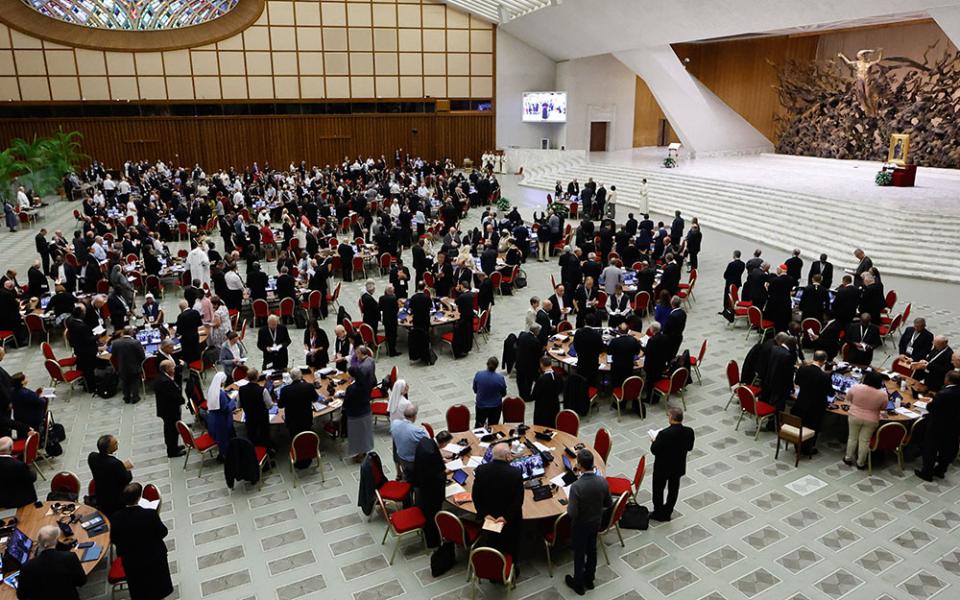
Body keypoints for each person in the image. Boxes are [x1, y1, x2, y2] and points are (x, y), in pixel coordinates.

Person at [109, 483, 174, 600]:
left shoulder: (116, 518)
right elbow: (163, 532)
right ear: (139, 497)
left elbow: (114, 539)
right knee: (157, 588)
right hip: (154, 558)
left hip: (132, 562)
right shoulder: (150, 514)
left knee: (140, 590)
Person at [565, 449, 611, 596]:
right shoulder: (602, 481)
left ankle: (578, 583)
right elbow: (608, 503)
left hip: (580, 526)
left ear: (579, 465)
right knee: (592, 551)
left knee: (579, 554)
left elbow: (572, 513)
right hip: (596, 522)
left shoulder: (576, 486)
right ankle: (590, 579)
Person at [472, 442, 524, 558]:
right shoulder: (515, 473)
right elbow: (518, 501)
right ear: (507, 456)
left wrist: (484, 514)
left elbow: (476, 496)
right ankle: (512, 565)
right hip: (510, 521)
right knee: (511, 544)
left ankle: (492, 560)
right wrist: (506, 517)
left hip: (489, 517)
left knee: (492, 540)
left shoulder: (480, 470)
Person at [15, 524, 87, 599]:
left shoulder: (27, 566)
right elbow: (81, 581)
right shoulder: (69, 557)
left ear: (39, 542)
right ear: (56, 541)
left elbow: (21, 596)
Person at [650, 407, 695, 522]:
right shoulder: (689, 431)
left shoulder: (664, 434)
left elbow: (654, 450)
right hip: (677, 466)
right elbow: (689, 447)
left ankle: (658, 512)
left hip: (662, 468)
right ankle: (668, 511)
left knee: (658, 490)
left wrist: (654, 441)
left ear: (671, 418)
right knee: (673, 490)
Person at [915, 371, 960, 481]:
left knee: (931, 448)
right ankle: (941, 470)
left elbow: (932, 407)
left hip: (937, 425)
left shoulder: (943, 393)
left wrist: (931, 401)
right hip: (954, 426)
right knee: (947, 449)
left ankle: (927, 473)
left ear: (947, 380)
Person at [412, 430, 452, 548]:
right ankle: (433, 540)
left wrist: (440, 460)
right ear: (443, 443)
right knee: (432, 514)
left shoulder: (425, 442)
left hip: (420, 482)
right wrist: (445, 472)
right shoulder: (431, 453)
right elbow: (434, 475)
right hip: (431, 491)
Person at [842, 370, 888, 469]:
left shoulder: (856, 387)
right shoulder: (883, 394)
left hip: (854, 416)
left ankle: (848, 458)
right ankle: (861, 463)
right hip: (871, 420)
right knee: (865, 441)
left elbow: (848, 397)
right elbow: (883, 407)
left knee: (852, 438)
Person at [791, 351, 833, 454]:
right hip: (816, 408)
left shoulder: (802, 369)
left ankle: (798, 444)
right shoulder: (825, 377)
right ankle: (808, 448)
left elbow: (796, 382)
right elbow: (830, 393)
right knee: (813, 427)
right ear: (823, 361)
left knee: (801, 424)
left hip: (801, 403)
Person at [88, 434, 133, 517]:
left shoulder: (92, 457)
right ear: (108, 450)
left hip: (100, 496)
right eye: (115, 443)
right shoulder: (115, 463)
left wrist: (120, 467)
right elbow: (127, 479)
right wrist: (126, 469)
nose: (118, 443)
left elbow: (106, 468)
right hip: (115, 500)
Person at [345, 346, 376, 462]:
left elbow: (347, 403)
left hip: (355, 414)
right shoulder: (364, 384)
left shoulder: (352, 389)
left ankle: (359, 455)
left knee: (357, 435)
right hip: (366, 411)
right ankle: (364, 452)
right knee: (365, 433)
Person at [237, 367, 275, 451]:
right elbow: (270, 406)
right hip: (262, 419)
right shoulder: (263, 390)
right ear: (257, 377)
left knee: (252, 435)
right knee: (264, 435)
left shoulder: (241, 390)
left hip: (249, 418)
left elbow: (238, 405)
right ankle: (267, 450)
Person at [154, 360, 186, 458]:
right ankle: (172, 451)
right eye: (172, 367)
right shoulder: (165, 382)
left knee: (173, 430)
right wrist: (181, 400)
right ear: (167, 369)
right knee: (171, 431)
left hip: (169, 409)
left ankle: (174, 447)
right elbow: (172, 396)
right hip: (169, 411)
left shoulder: (163, 377)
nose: (174, 369)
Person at [277, 368, 314, 443]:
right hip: (306, 417)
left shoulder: (284, 390)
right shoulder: (309, 386)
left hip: (292, 420)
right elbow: (315, 399)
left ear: (290, 377)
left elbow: (280, 405)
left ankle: (296, 446)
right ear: (301, 376)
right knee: (307, 433)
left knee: (294, 436)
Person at [390, 404, 428, 477]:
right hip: (414, 462)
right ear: (415, 417)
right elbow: (428, 444)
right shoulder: (418, 432)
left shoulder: (394, 424)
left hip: (401, 459)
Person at [111, 326, 146, 404]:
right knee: (135, 382)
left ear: (123, 332)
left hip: (122, 367)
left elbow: (114, 356)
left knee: (124, 382)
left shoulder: (115, 343)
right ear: (131, 333)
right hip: (134, 367)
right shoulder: (136, 342)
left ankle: (126, 397)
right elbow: (142, 356)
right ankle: (135, 398)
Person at [0, 435, 37, 508]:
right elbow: (32, 478)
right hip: (22, 502)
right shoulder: (18, 465)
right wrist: (29, 465)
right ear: (11, 448)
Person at [205, 372, 235, 456]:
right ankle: (227, 454)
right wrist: (233, 400)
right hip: (221, 420)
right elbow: (226, 409)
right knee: (225, 438)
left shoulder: (212, 390)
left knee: (221, 439)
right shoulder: (221, 394)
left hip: (212, 419)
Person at [473, 356, 507, 426]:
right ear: (497, 366)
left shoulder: (478, 374)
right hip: (495, 407)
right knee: (494, 426)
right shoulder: (500, 378)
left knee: (479, 425)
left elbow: (475, 390)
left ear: (487, 364)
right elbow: (503, 393)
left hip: (481, 406)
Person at [608, 323, 641, 389]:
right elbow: (637, 352)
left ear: (619, 331)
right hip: (628, 365)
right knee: (627, 379)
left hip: (616, 366)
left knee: (616, 381)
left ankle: (616, 389)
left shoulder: (614, 341)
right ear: (628, 330)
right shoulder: (633, 340)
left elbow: (609, 352)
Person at [532, 356, 561, 427]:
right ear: (551, 364)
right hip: (555, 405)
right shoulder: (558, 376)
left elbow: (534, 395)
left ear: (541, 365)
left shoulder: (541, 379)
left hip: (543, 408)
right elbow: (560, 389)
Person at [378, 284, 401, 356]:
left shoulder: (381, 298)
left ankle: (388, 348)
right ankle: (392, 351)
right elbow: (396, 309)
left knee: (387, 334)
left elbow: (380, 308)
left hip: (385, 319)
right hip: (392, 319)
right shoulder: (394, 298)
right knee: (393, 335)